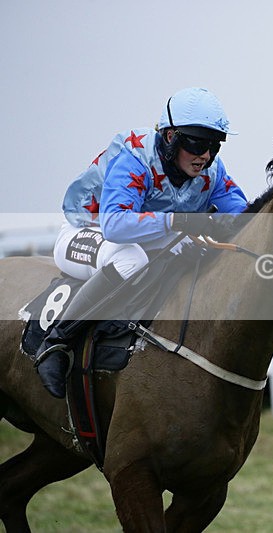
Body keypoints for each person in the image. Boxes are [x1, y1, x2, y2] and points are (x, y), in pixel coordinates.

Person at [35, 87, 248, 398]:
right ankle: (55, 343)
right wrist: (179, 221)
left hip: (146, 242)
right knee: (131, 259)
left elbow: (244, 217)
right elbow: (115, 226)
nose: (206, 155)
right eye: (198, 143)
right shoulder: (134, 156)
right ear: (172, 137)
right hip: (86, 232)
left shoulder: (212, 172)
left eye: (214, 145)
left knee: (193, 252)